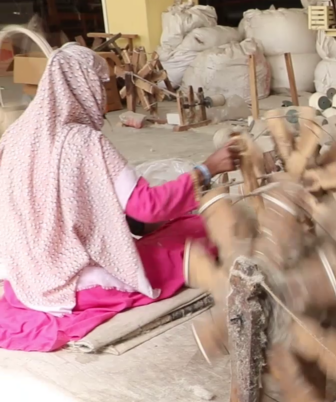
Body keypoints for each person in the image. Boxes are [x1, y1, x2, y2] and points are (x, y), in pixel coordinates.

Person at [0, 44, 238, 352]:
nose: (104, 96)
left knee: (161, 225)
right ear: (85, 86)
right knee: (192, 235)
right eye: (102, 86)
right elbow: (148, 208)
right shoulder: (84, 142)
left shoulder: (14, 136)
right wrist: (207, 169)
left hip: (23, 274)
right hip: (67, 283)